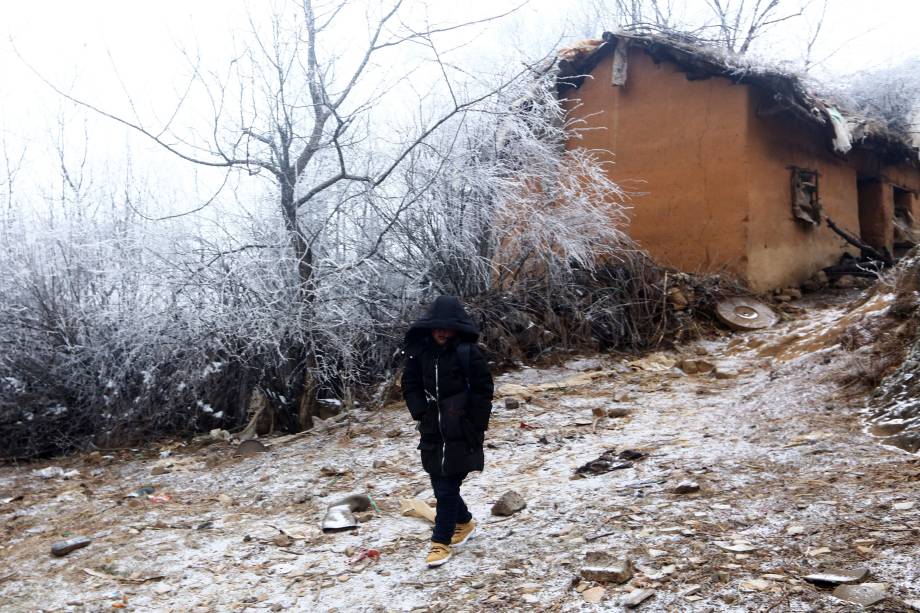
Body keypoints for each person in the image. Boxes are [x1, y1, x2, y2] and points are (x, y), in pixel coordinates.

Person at [402, 296, 494, 567]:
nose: (442, 332)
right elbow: (410, 384)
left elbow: (483, 391)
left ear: (457, 328)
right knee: (440, 483)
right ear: (430, 328)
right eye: (437, 327)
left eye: (447, 327)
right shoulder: (419, 353)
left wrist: (475, 425)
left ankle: (440, 542)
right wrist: (420, 412)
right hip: (432, 429)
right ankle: (464, 522)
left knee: (446, 486)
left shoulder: (468, 353)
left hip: (461, 429)